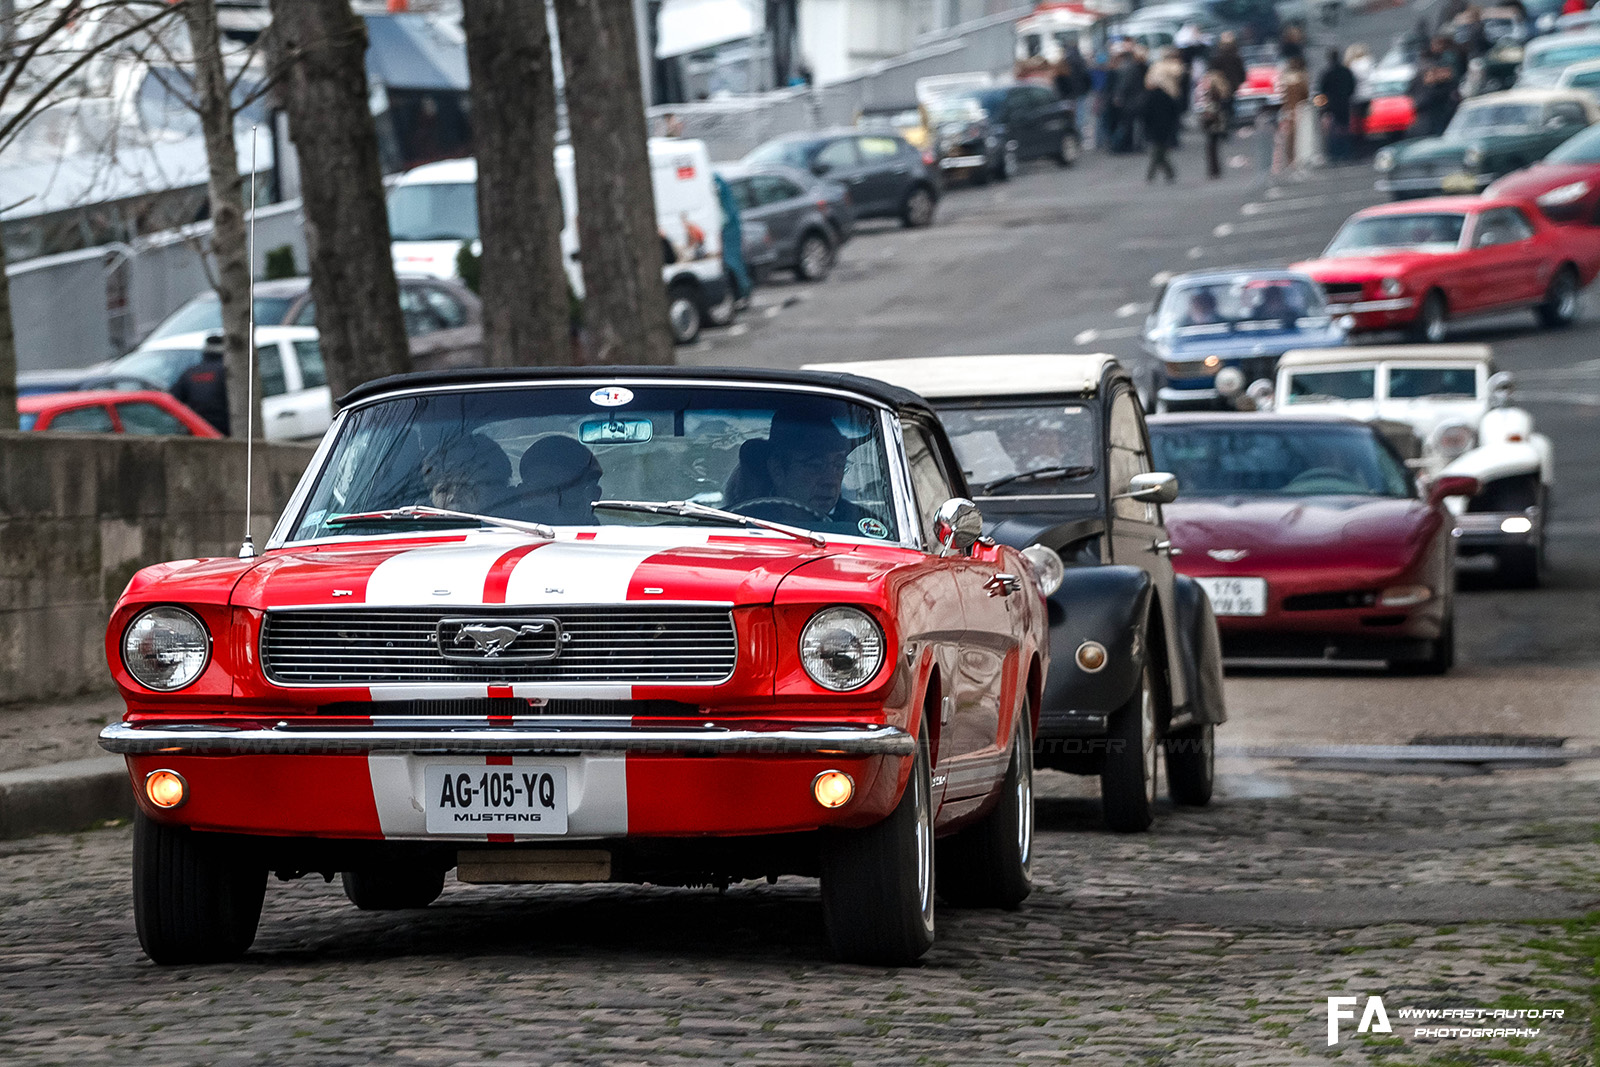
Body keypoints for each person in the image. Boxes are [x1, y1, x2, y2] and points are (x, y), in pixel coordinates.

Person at [738, 413, 872, 526]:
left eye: (839, 465)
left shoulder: (860, 525)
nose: (831, 480)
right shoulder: (738, 523)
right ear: (777, 470)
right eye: (815, 465)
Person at [513, 435, 604, 525]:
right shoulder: (502, 532)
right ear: (523, 493)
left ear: (593, 495)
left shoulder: (609, 536)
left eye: (566, 489)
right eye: (542, 488)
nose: (553, 499)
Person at [420, 434, 514, 513]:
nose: (453, 497)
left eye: (466, 487)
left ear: (497, 491)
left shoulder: (520, 528)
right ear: (431, 496)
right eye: (443, 490)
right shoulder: (412, 522)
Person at [170, 334, 230, 436]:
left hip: (196, 429)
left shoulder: (190, 372)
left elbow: (173, 399)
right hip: (225, 430)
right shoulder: (228, 372)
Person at [1143, 47, 1185, 182]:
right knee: (1160, 148)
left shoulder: (1157, 68)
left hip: (1157, 122)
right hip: (1165, 118)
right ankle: (1162, 173)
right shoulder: (1173, 67)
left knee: (1158, 149)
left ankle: (1155, 174)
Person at [713, 173, 753, 309]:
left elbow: (725, 215)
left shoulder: (715, 181)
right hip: (728, 228)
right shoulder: (716, 179)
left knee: (733, 264)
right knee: (734, 264)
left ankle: (742, 294)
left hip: (727, 230)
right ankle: (742, 294)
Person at [1316, 48, 1358, 163]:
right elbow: (1352, 86)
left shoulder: (1327, 73)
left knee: (1334, 131)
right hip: (1345, 102)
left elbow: (1322, 90)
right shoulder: (1346, 72)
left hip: (1332, 104)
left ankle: (1335, 153)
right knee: (1345, 128)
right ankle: (1346, 152)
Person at [1274, 55, 1311, 173]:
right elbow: (1305, 95)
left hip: (1288, 110)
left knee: (1288, 137)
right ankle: (1298, 158)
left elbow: (1282, 97)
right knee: (1301, 136)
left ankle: (1289, 159)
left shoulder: (1284, 80)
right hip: (1300, 110)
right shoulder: (1301, 78)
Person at [1198, 59, 1234, 178]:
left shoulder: (1213, 93)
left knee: (1211, 147)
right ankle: (1215, 169)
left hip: (1214, 122)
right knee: (1213, 147)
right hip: (1218, 121)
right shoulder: (1222, 91)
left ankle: (1214, 170)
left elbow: (1212, 108)